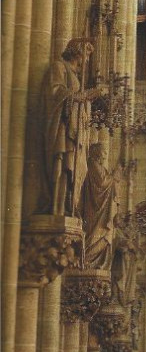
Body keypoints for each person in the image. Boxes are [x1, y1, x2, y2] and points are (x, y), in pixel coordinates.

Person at [41, 39, 99, 216]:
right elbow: (54, 93)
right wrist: (82, 96)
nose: (87, 60)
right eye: (87, 54)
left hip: (76, 131)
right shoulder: (59, 67)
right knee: (65, 167)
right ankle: (57, 208)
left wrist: (86, 98)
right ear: (77, 51)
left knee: (74, 170)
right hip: (64, 130)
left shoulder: (74, 74)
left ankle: (67, 207)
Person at [78, 140, 121, 270]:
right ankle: (87, 260)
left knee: (102, 237)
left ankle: (92, 261)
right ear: (96, 152)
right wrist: (114, 176)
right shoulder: (92, 164)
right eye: (103, 152)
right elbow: (102, 183)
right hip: (96, 210)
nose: (105, 155)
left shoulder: (98, 166)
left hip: (101, 210)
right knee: (95, 235)